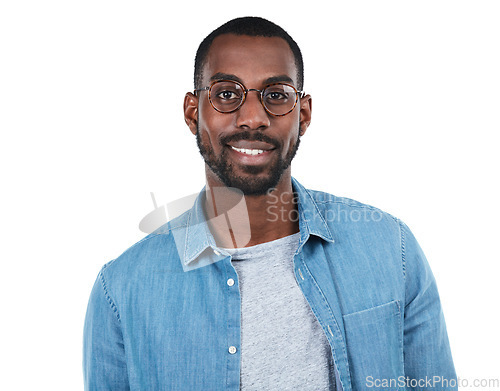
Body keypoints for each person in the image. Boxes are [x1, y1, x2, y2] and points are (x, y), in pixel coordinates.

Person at [83, 16, 457, 391]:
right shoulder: (122, 290)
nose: (252, 118)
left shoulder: (392, 248)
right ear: (193, 112)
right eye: (227, 93)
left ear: (303, 114)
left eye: (276, 94)